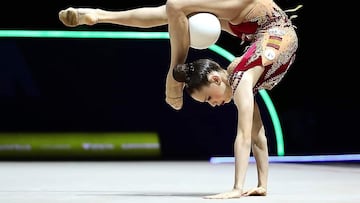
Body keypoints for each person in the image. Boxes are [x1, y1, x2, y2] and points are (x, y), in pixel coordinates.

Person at [58, 0, 299, 199]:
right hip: (262, 32)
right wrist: (261, 184)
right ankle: (99, 15)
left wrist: (237, 188)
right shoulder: (241, 73)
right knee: (173, 13)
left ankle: (105, 19)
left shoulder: (242, 79)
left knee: (176, 8)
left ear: (216, 79)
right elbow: (258, 134)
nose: (213, 105)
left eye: (207, 99)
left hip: (268, 30)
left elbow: (244, 135)